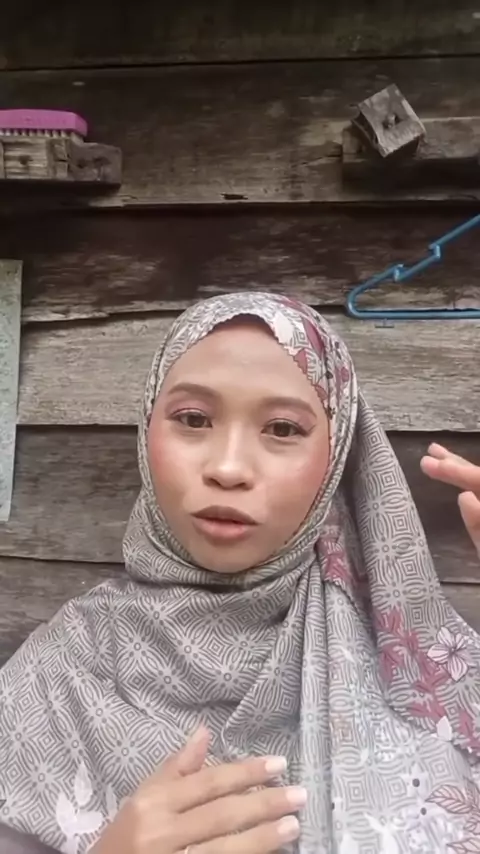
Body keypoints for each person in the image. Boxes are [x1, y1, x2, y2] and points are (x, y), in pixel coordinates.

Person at [0, 291, 479, 854]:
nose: (228, 469)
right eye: (193, 419)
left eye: (283, 429)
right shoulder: (55, 675)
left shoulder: (427, 675)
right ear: (147, 430)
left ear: (336, 456)